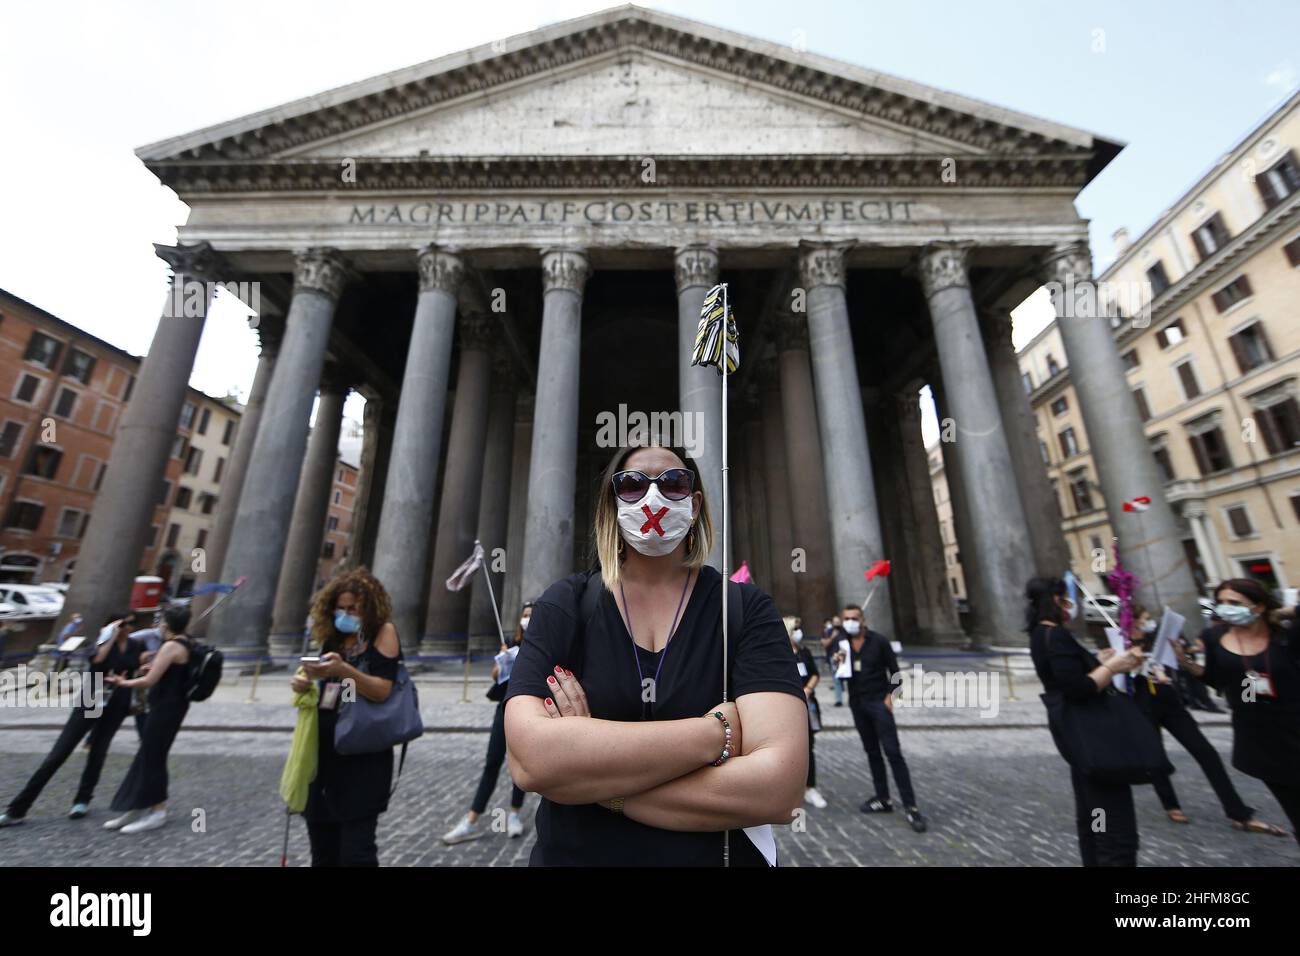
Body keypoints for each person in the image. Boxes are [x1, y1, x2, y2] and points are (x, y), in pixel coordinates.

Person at [504, 443, 807, 866]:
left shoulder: (744, 608)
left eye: (673, 483)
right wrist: (715, 734)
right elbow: (532, 761)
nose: (654, 498)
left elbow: (780, 789)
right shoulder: (566, 604)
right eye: (631, 485)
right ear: (612, 504)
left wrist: (590, 777)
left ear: (695, 502)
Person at [1128, 604, 1283, 834]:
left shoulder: (1155, 637)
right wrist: (1134, 654)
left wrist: (1179, 654)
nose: (1148, 622)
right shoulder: (1122, 641)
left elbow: (1175, 663)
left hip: (1170, 703)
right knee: (1155, 758)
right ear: (1133, 621)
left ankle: (1237, 811)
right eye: (1144, 618)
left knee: (1206, 753)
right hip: (1142, 706)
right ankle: (1170, 804)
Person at [1027, 576, 1145, 866]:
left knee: (1093, 814)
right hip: (1095, 736)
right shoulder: (1055, 635)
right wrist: (1114, 666)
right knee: (1115, 829)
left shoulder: (1041, 635)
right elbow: (1077, 689)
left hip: (1078, 737)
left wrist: (1098, 662)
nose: (1071, 603)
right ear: (1056, 599)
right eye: (1067, 596)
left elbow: (1064, 675)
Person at [290, 567, 402, 866]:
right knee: (322, 850)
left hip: (362, 758)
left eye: (353, 608)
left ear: (369, 606)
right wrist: (303, 682)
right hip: (324, 756)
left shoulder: (383, 633)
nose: (346, 614)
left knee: (356, 852)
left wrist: (344, 670)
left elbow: (382, 690)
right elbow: (323, 685)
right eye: (340, 608)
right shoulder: (333, 639)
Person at [1178, 579, 1300, 845]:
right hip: (1259, 739)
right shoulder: (1214, 637)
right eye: (1221, 602)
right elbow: (1217, 680)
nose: (1225, 609)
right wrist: (1187, 664)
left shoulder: (1284, 635)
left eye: (1234, 603)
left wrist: (1283, 612)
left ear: (1257, 607)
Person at [0, 614, 141, 827]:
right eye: (124, 623)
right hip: (93, 696)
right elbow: (98, 660)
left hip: (117, 702)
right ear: (113, 625)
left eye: (131, 623)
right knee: (59, 753)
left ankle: (83, 800)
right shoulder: (101, 643)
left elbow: (133, 668)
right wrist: (110, 635)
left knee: (98, 753)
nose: (129, 627)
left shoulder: (135, 645)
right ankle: (18, 809)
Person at [443, 602, 533, 844]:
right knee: (492, 762)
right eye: (525, 616)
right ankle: (472, 819)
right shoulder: (511, 645)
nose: (527, 620)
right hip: (503, 710)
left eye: (532, 616)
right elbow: (495, 676)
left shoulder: (540, 647)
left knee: (520, 768)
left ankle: (514, 815)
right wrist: (503, 659)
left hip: (526, 712)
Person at [834, 603, 927, 832]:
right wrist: (837, 662)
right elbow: (841, 673)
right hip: (857, 704)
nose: (850, 622)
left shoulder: (879, 641)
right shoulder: (842, 643)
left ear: (863, 620)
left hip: (878, 703)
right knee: (872, 752)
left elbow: (895, 673)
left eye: (854, 618)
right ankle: (882, 798)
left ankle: (911, 807)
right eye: (847, 618)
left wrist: (890, 699)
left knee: (893, 753)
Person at [102, 604, 194, 834]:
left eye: (161, 621)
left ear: (165, 624)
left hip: (165, 707)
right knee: (147, 755)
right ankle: (138, 805)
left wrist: (123, 683)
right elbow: (164, 674)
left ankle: (158, 811)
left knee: (154, 756)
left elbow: (149, 681)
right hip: (171, 706)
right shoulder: (186, 644)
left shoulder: (171, 646)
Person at [786, 615, 826, 809]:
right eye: (796, 629)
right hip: (787, 707)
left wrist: (808, 690)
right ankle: (789, 789)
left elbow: (815, 674)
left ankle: (810, 787)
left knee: (808, 746)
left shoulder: (804, 653)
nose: (799, 632)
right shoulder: (779, 653)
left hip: (808, 705)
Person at [821, 615, 845, 706]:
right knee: (837, 679)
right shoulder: (829, 631)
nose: (837, 623)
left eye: (838, 622)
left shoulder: (844, 631)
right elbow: (824, 644)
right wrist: (832, 636)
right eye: (835, 622)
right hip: (834, 658)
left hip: (845, 657)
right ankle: (838, 700)